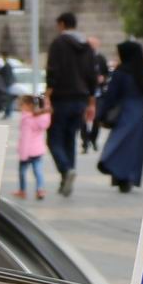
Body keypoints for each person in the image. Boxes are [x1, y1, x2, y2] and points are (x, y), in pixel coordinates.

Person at [96, 39, 143, 192]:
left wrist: (101, 115)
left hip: (124, 113)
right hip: (137, 114)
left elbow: (111, 96)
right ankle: (127, 176)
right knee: (132, 147)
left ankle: (117, 173)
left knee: (118, 143)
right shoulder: (140, 71)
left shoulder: (121, 72)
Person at [45, 12, 91, 196]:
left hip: (62, 97)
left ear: (62, 24)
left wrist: (48, 92)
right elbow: (91, 74)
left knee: (54, 138)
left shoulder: (59, 43)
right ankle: (66, 178)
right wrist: (91, 99)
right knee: (70, 138)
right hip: (81, 99)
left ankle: (66, 169)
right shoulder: (86, 45)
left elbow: (52, 70)